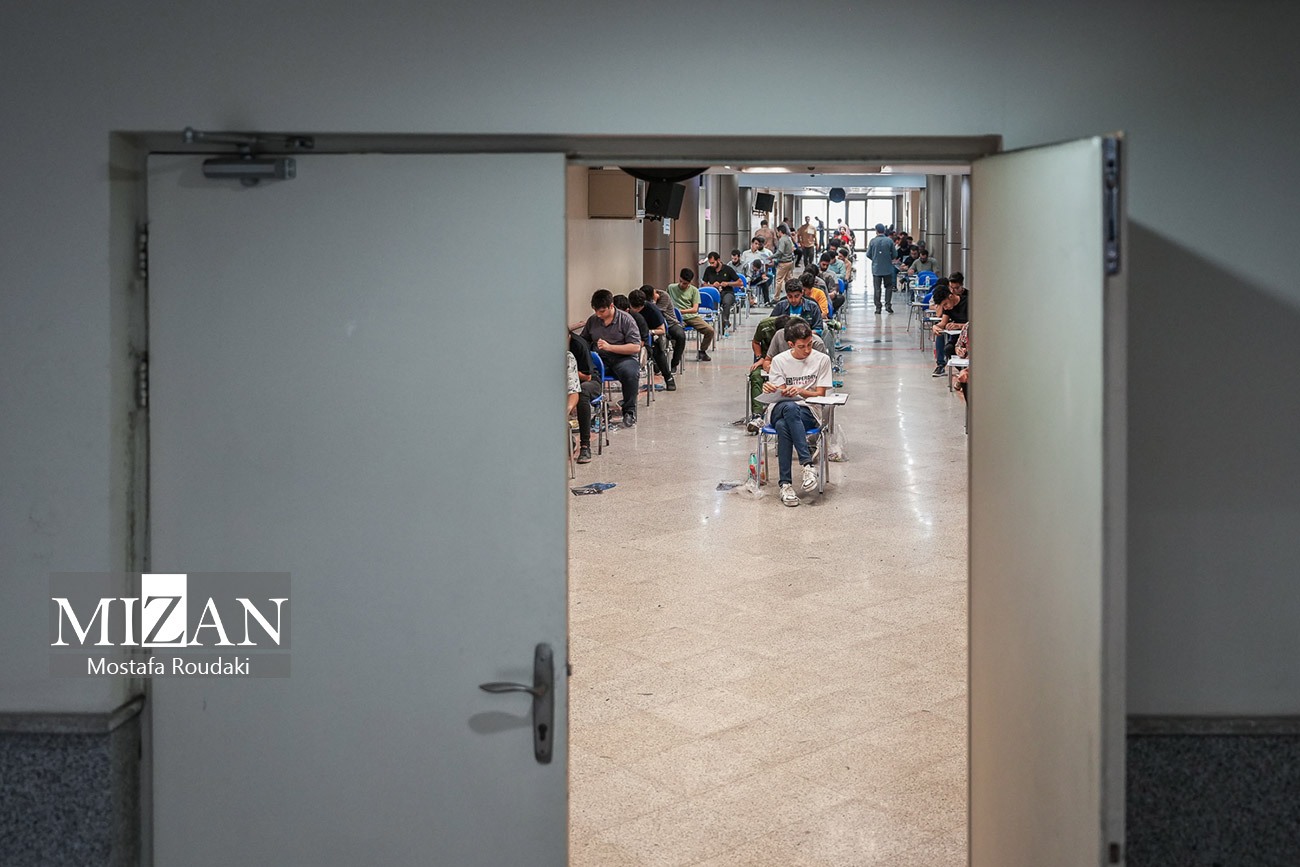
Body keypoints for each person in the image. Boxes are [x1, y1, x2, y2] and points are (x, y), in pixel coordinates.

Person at [762, 319, 832, 507]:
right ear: (791, 344)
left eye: (810, 344)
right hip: (779, 408)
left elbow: (820, 394)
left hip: (807, 410)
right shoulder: (779, 361)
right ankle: (807, 464)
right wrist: (771, 388)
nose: (807, 350)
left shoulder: (822, 359)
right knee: (789, 407)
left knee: (784, 425)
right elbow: (779, 393)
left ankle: (785, 485)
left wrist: (801, 391)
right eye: (802, 346)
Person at [574, 288, 642, 426]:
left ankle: (629, 411)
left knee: (630, 373)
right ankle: (600, 408)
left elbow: (635, 347)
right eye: (596, 311)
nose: (598, 314)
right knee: (586, 373)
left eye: (602, 311)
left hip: (623, 358)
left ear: (611, 306)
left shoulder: (626, 320)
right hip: (601, 359)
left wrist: (610, 347)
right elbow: (584, 341)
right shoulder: (593, 320)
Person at [628, 286, 675, 391]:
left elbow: (662, 330)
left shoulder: (653, 310)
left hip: (651, 335)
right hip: (632, 337)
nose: (636, 310)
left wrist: (648, 332)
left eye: (638, 308)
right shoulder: (627, 309)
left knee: (657, 351)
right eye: (633, 307)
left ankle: (668, 377)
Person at [567, 331, 602, 462]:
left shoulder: (577, 346)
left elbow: (587, 376)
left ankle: (585, 445)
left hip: (589, 381)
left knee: (582, 393)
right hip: (567, 382)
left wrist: (568, 371)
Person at [667, 268, 716, 362]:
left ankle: (702, 351)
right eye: (681, 281)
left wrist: (681, 311)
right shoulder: (671, 288)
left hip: (691, 316)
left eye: (685, 283)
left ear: (690, 282)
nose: (682, 284)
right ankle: (677, 352)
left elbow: (694, 309)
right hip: (677, 318)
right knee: (676, 332)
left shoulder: (694, 290)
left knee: (710, 330)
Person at [929, 280, 969, 376]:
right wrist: (935, 327)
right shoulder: (948, 309)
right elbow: (943, 323)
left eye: (945, 304)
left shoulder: (968, 302)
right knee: (947, 347)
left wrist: (959, 325)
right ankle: (942, 365)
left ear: (951, 296)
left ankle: (968, 372)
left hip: (969, 337)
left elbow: (977, 324)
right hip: (957, 339)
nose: (945, 308)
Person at [647, 283, 687, 373]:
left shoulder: (663, 296)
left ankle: (674, 363)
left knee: (681, 336)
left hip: (670, 323)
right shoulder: (646, 300)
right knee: (655, 340)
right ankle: (657, 364)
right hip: (656, 326)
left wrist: (654, 301)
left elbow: (656, 312)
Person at [701, 251, 741, 336]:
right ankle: (721, 321)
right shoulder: (708, 270)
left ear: (718, 260)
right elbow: (704, 284)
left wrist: (728, 283)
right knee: (715, 305)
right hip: (715, 294)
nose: (711, 265)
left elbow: (739, 282)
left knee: (727, 302)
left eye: (713, 263)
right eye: (710, 263)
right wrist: (712, 285)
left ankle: (724, 322)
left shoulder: (728, 269)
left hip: (727, 292)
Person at [867, 222, 897, 314]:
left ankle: (878, 308)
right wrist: (888, 259)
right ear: (884, 230)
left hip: (876, 269)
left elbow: (868, 254)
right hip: (888, 268)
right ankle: (888, 305)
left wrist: (875, 259)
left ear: (876, 231)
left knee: (877, 288)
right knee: (889, 287)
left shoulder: (872, 241)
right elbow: (895, 254)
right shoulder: (889, 241)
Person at [739, 237, 773, 304]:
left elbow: (765, 265)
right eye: (756, 244)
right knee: (746, 282)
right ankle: (750, 299)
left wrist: (763, 275)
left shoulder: (761, 255)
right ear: (752, 243)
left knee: (765, 282)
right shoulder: (745, 253)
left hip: (757, 276)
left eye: (758, 244)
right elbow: (742, 265)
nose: (757, 246)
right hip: (747, 275)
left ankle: (766, 301)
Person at [772, 224, 796, 297]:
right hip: (790, 262)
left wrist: (772, 257)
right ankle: (792, 295)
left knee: (779, 280)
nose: (777, 234)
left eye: (777, 232)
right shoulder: (788, 238)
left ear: (780, 231)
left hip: (783, 263)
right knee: (789, 280)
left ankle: (776, 297)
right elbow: (793, 248)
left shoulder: (782, 239)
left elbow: (780, 252)